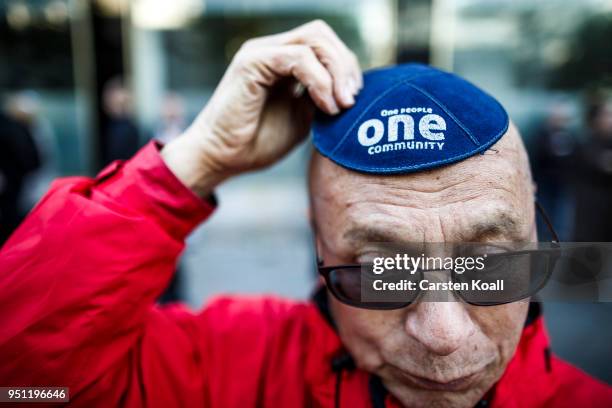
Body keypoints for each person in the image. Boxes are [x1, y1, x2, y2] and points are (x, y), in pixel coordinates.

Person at [0, 21, 610, 408]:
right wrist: (192, 163)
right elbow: (22, 384)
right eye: (384, 272)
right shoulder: (231, 372)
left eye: (488, 264)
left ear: (536, 237)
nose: (444, 338)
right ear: (320, 255)